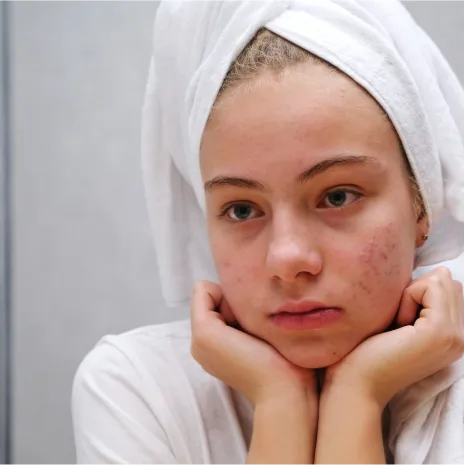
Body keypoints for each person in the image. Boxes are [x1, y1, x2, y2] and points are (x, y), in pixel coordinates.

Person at [72, 1, 465, 464]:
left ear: (421, 206)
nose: (287, 258)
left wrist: (357, 394)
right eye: (242, 210)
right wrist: (282, 403)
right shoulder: (140, 392)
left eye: (338, 196)